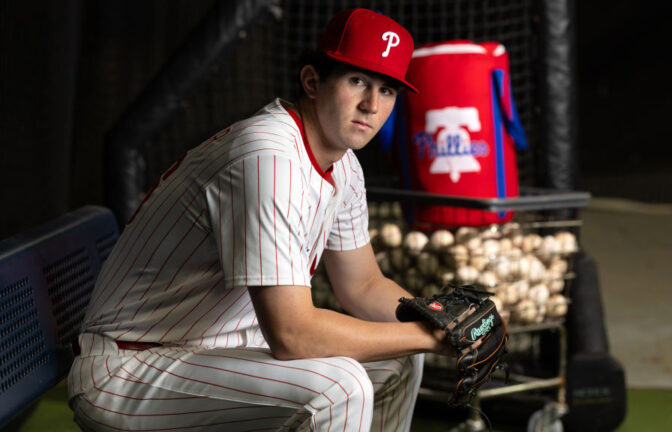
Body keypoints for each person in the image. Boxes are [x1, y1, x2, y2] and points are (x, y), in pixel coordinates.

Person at [68, 8, 450, 432]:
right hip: (131, 367)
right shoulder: (268, 155)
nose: (371, 105)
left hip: (217, 356)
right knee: (340, 388)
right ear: (312, 81)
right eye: (357, 80)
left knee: (397, 362)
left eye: (387, 89)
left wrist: (439, 318)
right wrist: (432, 338)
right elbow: (293, 335)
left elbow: (363, 286)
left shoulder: (344, 166)